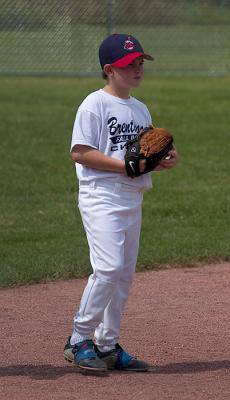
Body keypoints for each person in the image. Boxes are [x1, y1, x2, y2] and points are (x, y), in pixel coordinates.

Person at [63, 33, 179, 373]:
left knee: (124, 276)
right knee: (109, 268)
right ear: (110, 69)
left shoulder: (140, 108)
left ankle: (107, 344)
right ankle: (79, 338)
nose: (138, 69)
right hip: (102, 196)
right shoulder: (94, 104)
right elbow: (80, 152)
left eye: (141, 62)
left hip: (132, 197)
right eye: (130, 64)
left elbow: (144, 153)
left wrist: (165, 158)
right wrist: (125, 166)